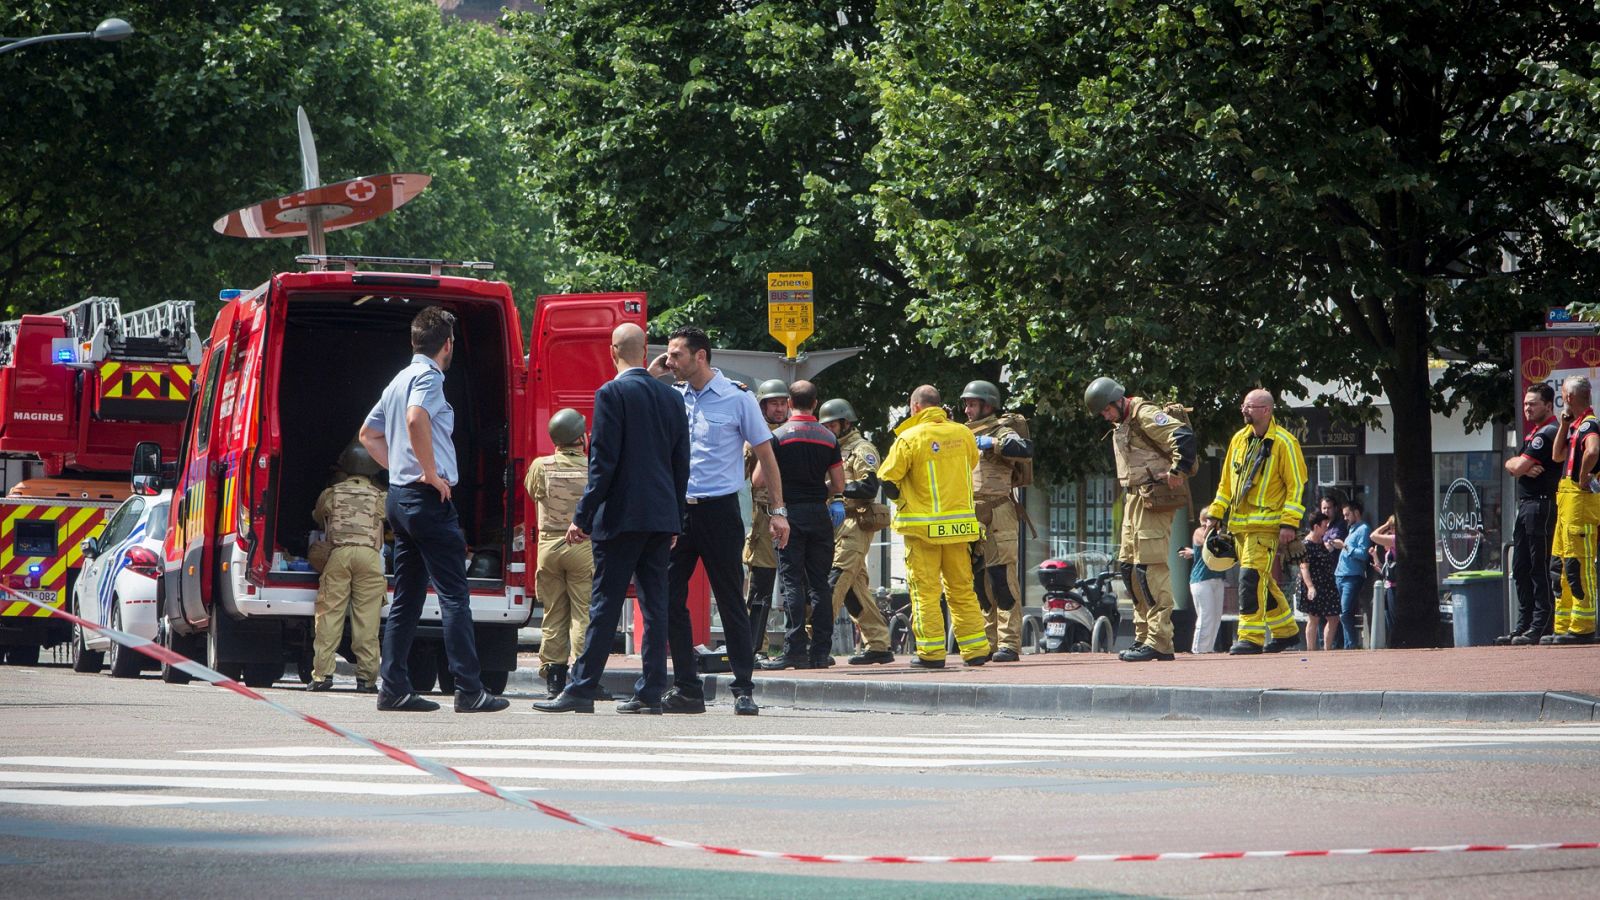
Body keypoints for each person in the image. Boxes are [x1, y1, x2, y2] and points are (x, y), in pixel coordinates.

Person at [534, 323, 689, 714]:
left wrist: (582, 517)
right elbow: (680, 464)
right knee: (656, 608)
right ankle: (650, 691)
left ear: (612, 351)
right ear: (643, 352)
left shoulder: (611, 393)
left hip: (620, 517)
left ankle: (582, 687)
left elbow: (602, 464)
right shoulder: (672, 398)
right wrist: (677, 519)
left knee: (604, 604)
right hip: (660, 516)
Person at [359, 306, 508, 713]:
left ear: (413, 341)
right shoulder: (429, 377)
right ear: (448, 345)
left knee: (406, 597)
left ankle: (393, 687)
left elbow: (368, 435)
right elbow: (415, 419)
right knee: (455, 596)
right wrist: (428, 472)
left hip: (400, 500)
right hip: (427, 500)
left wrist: (403, 469)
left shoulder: (397, 380)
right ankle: (469, 689)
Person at [648, 326, 788, 715]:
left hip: (720, 511)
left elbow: (766, 455)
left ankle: (743, 687)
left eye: (676, 355)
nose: (670, 361)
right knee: (668, 597)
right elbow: (629, 395)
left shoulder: (736, 398)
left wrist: (778, 511)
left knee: (730, 599)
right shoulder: (672, 395)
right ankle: (688, 688)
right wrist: (653, 372)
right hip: (678, 512)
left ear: (701, 356)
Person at [1085, 377, 1197, 663]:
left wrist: (1176, 471)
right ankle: (1143, 635)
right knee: (1129, 567)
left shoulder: (1145, 413)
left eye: (1105, 410)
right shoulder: (1122, 421)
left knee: (1151, 568)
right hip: (1134, 498)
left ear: (1116, 400)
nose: (1104, 416)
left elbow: (1182, 436)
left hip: (1155, 498)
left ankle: (1160, 641)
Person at [878, 385, 990, 668]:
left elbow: (888, 480)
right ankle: (976, 649)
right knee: (962, 588)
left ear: (915, 407)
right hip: (959, 529)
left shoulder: (909, 438)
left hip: (923, 530)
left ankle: (931, 654)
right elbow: (971, 463)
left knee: (926, 592)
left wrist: (906, 498)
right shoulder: (964, 434)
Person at [1205, 389, 1307, 655]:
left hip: (1265, 527)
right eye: (1243, 405)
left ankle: (1250, 637)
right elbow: (1226, 482)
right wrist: (1216, 513)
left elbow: (1296, 486)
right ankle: (1286, 632)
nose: (1244, 410)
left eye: (1249, 406)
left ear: (1266, 410)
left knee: (1250, 579)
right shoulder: (1239, 440)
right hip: (1240, 527)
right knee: (1263, 581)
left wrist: (1289, 524)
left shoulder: (1285, 443)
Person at [758, 381, 844, 669]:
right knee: (820, 584)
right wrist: (819, 488)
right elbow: (839, 484)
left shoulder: (778, 436)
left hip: (788, 515)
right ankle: (820, 652)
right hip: (819, 515)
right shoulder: (829, 438)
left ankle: (794, 651)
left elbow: (758, 479)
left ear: (790, 404)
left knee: (792, 583)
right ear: (815, 403)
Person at [962, 380, 1035, 663]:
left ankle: (1009, 642)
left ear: (987, 406)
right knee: (979, 581)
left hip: (998, 510)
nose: (967, 409)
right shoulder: (962, 433)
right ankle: (987, 640)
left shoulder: (1000, 431)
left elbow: (1024, 448)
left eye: (972, 404)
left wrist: (993, 443)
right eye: (966, 404)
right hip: (970, 513)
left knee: (1001, 577)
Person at [818, 398, 895, 665]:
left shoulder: (861, 449)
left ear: (845, 423)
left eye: (831, 425)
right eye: (823, 425)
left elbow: (869, 487)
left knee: (833, 581)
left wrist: (835, 487)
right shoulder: (828, 448)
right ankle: (879, 644)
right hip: (833, 523)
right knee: (854, 591)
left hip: (855, 522)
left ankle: (814, 643)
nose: (827, 429)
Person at [307, 440, 386, 693]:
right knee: (368, 619)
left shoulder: (332, 493)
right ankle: (367, 679)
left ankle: (322, 676)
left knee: (329, 615)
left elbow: (318, 517)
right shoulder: (381, 496)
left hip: (338, 556)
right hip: (370, 558)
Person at [525, 408, 593, 700]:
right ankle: (581, 674)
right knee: (582, 612)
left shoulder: (541, 466)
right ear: (581, 437)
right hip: (581, 546)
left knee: (553, 613)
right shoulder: (592, 468)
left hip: (548, 547)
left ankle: (554, 676)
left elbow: (532, 492)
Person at [1500, 383, 1559, 645]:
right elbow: (1513, 465)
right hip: (1526, 505)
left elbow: (1519, 464)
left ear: (1548, 405)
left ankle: (1541, 625)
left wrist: (1519, 466)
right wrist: (1517, 466)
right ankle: (1524, 624)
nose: (1527, 408)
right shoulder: (1534, 433)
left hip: (1541, 505)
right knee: (1520, 567)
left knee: (1538, 567)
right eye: (1525, 403)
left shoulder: (1547, 433)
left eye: (1533, 403)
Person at [1548, 375, 1600, 645]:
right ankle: (1564, 625)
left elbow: (1593, 450)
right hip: (1567, 505)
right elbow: (1557, 456)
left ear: (1568, 397)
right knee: (1561, 566)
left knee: (1579, 566)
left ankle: (1583, 627)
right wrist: (1563, 425)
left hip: (1580, 504)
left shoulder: (1590, 424)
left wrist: (1583, 477)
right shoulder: (1575, 425)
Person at [743, 379, 790, 658]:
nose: (780, 408)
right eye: (774, 403)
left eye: (783, 403)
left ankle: (799, 645)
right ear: (762, 406)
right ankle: (754, 646)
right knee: (761, 583)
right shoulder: (755, 435)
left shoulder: (794, 431)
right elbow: (751, 477)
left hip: (792, 510)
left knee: (799, 582)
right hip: (763, 516)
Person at [1177, 513, 1226, 653]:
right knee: (1206, 616)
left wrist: (1193, 552)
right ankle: (1198, 650)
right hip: (1201, 579)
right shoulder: (1199, 532)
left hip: (1217, 578)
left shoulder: (1221, 532)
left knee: (1216, 617)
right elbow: (1208, 543)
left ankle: (1208, 648)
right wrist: (1210, 528)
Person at [1328, 499, 1370, 649]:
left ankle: (1351, 645)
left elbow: (1363, 554)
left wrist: (1344, 546)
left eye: (1347, 515)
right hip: (1341, 575)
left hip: (1352, 577)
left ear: (1356, 513)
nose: (1344, 518)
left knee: (1345, 613)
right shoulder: (1352, 529)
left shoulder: (1363, 529)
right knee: (1343, 613)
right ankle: (1348, 644)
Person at [1296, 512, 1341, 651]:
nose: (1326, 528)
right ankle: (1311, 650)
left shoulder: (1321, 541)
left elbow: (1323, 554)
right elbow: (1304, 568)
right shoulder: (1305, 545)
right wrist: (1310, 587)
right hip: (1313, 584)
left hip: (1326, 583)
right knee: (1314, 618)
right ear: (1316, 526)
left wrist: (1334, 546)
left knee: (1333, 617)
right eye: (1324, 526)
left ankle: (1327, 649)